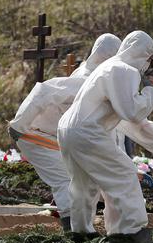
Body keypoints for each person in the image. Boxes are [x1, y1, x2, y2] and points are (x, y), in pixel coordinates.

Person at [57, 31, 153, 242]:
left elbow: (129, 122)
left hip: (68, 129)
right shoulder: (124, 70)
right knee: (124, 176)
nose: (147, 64)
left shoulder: (107, 68)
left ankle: (81, 233)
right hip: (87, 132)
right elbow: (132, 112)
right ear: (142, 54)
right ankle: (129, 233)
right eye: (148, 58)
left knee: (83, 184)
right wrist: (150, 94)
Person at [7, 33, 122, 231]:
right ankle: (73, 232)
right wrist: (19, 126)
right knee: (66, 181)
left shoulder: (100, 81)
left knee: (84, 184)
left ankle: (80, 229)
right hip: (36, 136)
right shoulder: (87, 80)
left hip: (59, 138)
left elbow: (110, 128)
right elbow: (44, 91)